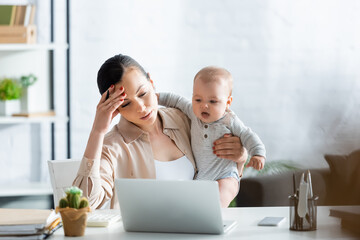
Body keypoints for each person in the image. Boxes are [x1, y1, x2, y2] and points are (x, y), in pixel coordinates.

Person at [73, 54, 248, 209]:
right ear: (113, 107)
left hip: (195, 230)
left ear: (151, 83)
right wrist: (97, 131)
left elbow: (224, 172)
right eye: (126, 104)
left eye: (142, 93)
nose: (141, 108)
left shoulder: (185, 119)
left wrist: (240, 156)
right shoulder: (113, 145)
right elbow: (84, 203)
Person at [158, 66, 266, 207]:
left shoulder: (229, 120)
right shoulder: (192, 112)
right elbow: (176, 100)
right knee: (193, 205)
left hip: (225, 176)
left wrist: (258, 154)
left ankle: (217, 214)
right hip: (202, 178)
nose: (204, 106)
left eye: (213, 101)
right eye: (198, 100)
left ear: (228, 102)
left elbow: (248, 135)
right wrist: (155, 97)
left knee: (220, 198)